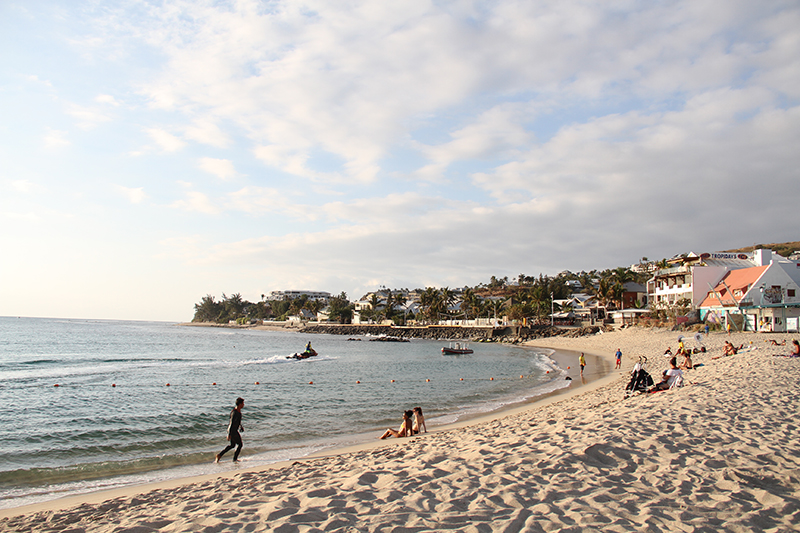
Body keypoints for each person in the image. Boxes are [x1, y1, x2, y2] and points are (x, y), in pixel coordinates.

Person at [215, 397, 244, 463]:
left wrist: (240, 426)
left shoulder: (238, 411)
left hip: (234, 430)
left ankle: (219, 455)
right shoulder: (234, 412)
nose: (243, 405)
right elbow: (231, 423)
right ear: (240, 404)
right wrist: (229, 434)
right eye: (243, 403)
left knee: (232, 445)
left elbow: (237, 421)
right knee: (240, 444)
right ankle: (234, 459)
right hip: (232, 431)